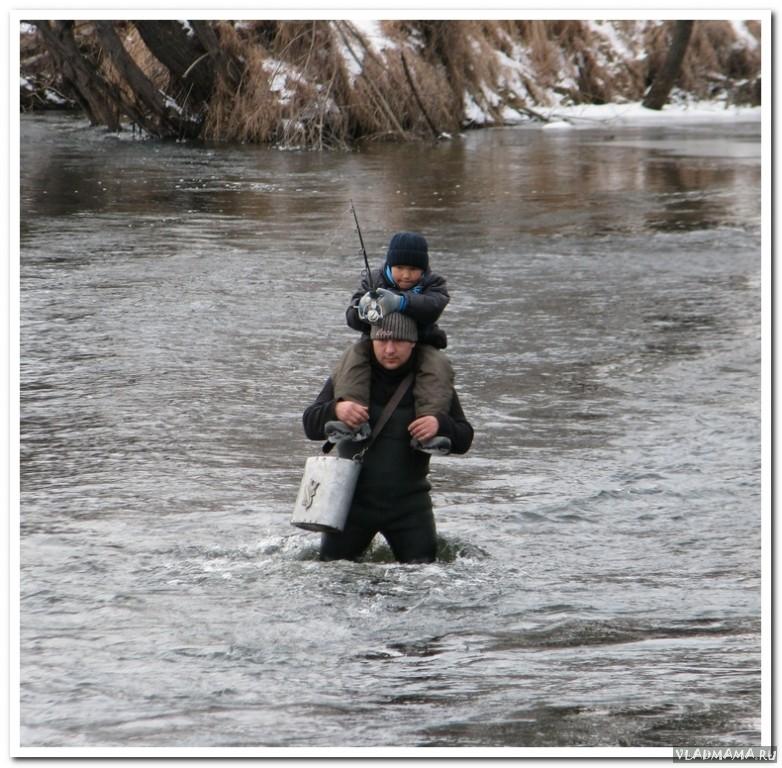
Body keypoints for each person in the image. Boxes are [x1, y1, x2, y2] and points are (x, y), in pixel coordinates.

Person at [302, 312, 473, 563]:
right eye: (382, 341)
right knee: (332, 577)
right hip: (351, 504)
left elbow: (465, 439)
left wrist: (440, 423)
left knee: (423, 578)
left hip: (410, 505)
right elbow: (310, 424)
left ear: (413, 342)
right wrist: (335, 409)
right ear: (371, 341)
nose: (390, 349)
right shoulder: (351, 376)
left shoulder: (430, 381)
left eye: (399, 341)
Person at [331, 232, 454, 445]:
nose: (406, 275)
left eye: (413, 270)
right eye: (400, 269)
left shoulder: (435, 284)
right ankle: (352, 419)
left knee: (438, 364)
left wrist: (401, 302)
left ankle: (429, 427)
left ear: (423, 270)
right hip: (375, 342)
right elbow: (351, 318)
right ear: (389, 265)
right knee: (354, 357)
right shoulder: (373, 279)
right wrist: (362, 310)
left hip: (421, 343)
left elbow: (432, 307)